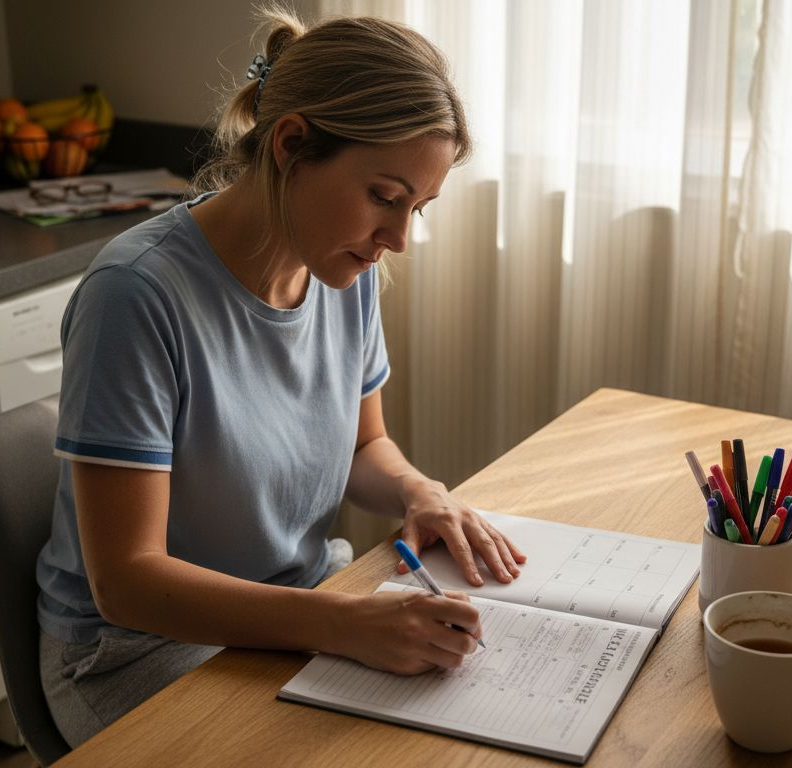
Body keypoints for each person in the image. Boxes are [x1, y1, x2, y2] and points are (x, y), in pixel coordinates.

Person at [35, 8, 527, 747]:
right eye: (384, 197)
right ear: (292, 144)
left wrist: (417, 490)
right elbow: (127, 582)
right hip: (135, 649)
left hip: (297, 604)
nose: (398, 239)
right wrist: (340, 623)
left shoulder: (344, 270)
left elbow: (363, 447)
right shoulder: (134, 295)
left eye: (417, 209)